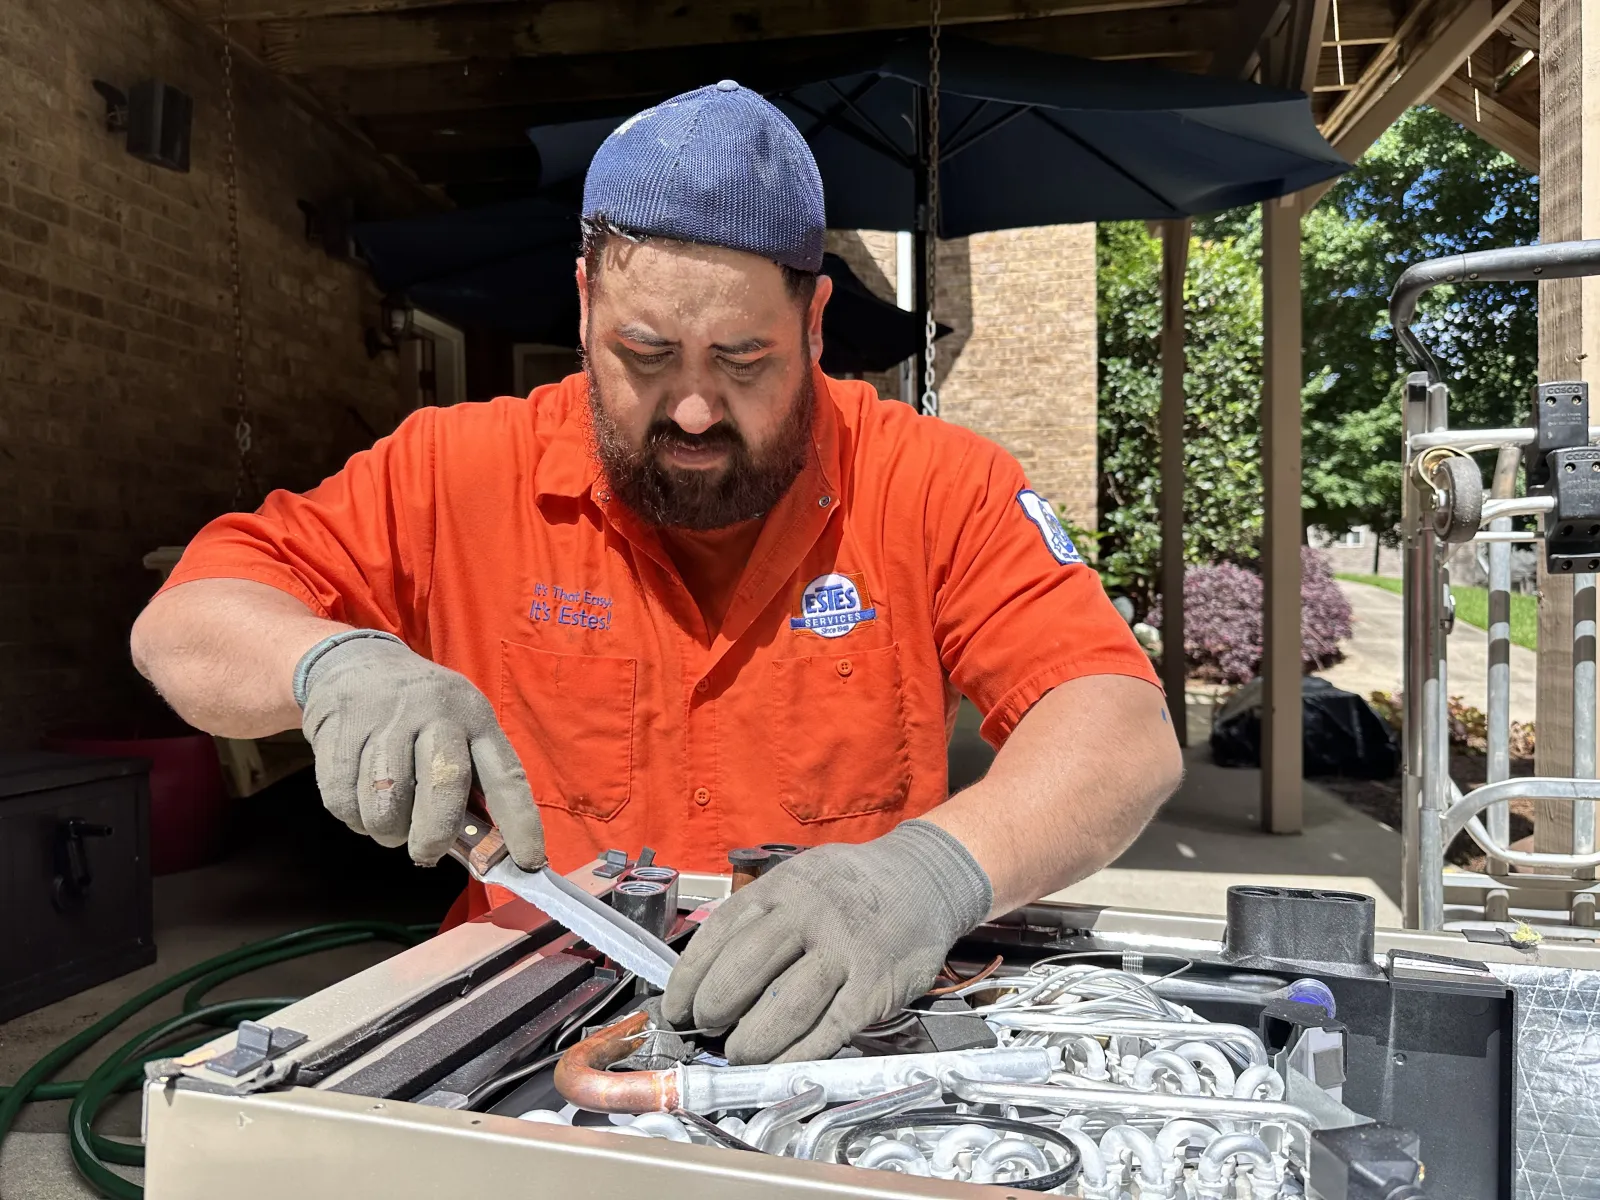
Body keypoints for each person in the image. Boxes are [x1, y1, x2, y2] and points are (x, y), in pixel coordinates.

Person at [130, 81, 1182, 1066]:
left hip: (836, 1031)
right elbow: (186, 621)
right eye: (643, 354)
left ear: (815, 324)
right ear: (585, 306)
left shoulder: (935, 485)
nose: (692, 409)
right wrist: (331, 663)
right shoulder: (456, 470)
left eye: (743, 359)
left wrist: (932, 874)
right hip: (522, 1033)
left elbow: (1119, 728)